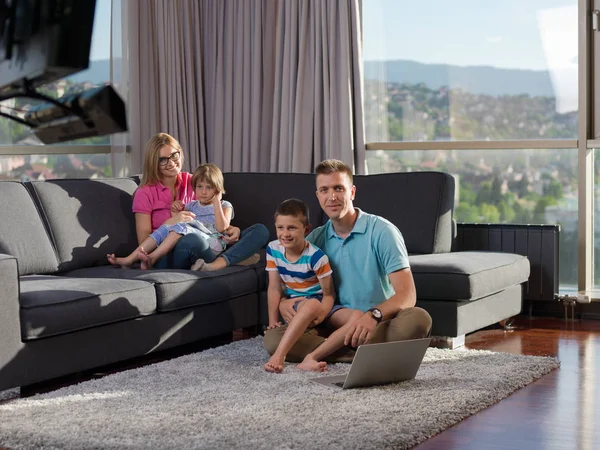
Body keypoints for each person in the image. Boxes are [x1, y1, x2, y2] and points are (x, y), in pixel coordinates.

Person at [264, 159, 432, 362]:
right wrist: (283, 303)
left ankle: (336, 351)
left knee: (417, 319)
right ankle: (366, 351)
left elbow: (407, 294)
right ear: (318, 196)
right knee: (273, 340)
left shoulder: (382, 231)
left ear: (352, 192)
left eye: (338, 188)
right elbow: (289, 283)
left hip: (377, 322)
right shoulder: (314, 238)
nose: (332, 197)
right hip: (332, 323)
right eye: (324, 190)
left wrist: (373, 315)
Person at [130, 132, 269, 270]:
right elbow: (143, 243)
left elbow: (209, 219)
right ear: (153, 162)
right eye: (163, 160)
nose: (171, 163)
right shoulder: (144, 193)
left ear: (180, 152)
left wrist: (233, 230)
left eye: (174, 155)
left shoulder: (194, 181)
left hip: (209, 240)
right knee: (191, 239)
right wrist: (172, 221)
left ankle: (217, 263)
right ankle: (235, 257)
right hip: (170, 252)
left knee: (260, 230)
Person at [263, 199, 365, 373]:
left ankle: (313, 356)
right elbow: (274, 287)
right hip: (298, 303)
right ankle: (279, 355)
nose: (285, 234)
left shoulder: (317, 257)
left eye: (292, 228)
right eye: (280, 228)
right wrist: (273, 322)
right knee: (310, 305)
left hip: (320, 305)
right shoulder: (273, 249)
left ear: (306, 229)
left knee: (357, 316)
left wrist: (322, 314)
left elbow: (329, 295)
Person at [107, 163, 232, 270]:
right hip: (196, 236)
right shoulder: (191, 205)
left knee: (181, 228)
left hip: (213, 244)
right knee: (169, 226)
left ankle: (153, 257)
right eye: (199, 187)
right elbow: (180, 224)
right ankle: (130, 259)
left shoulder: (224, 205)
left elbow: (222, 228)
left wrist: (216, 202)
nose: (203, 192)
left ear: (217, 189)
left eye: (209, 188)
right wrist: (174, 213)